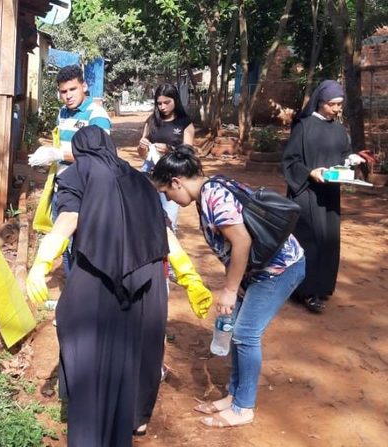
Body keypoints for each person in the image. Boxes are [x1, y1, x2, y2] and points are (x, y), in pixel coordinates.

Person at [26, 127, 211, 445]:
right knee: (142, 346)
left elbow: (69, 219)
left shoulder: (79, 171)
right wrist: (190, 277)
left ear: (81, 151)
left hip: (99, 270)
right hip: (148, 274)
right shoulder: (140, 178)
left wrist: (42, 262)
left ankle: (89, 422)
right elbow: (163, 233)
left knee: (79, 331)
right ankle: (136, 418)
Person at [151, 145, 305, 428]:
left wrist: (231, 289)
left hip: (279, 269)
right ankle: (235, 394)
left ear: (177, 181)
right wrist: (240, 283)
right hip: (258, 271)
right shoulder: (208, 191)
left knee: (246, 334)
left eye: (166, 192)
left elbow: (242, 242)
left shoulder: (214, 198)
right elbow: (229, 246)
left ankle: (243, 407)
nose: (168, 198)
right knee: (236, 331)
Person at [282, 80, 364, 314]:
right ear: (320, 102)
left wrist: (351, 159)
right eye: (333, 105)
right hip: (306, 194)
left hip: (329, 194)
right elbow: (290, 161)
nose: (337, 109)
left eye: (339, 105)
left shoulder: (339, 129)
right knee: (311, 240)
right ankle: (305, 291)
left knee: (328, 240)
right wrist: (310, 172)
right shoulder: (304, 126)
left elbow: (343, 154)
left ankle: (322, 286)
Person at [28, 64, 111, 273]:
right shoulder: (62, 113)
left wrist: (59, 155)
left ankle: (83, 295)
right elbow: (61, 144)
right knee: (62, 243)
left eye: (72, 89)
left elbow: (100, 155)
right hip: (61, 186)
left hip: (84, 191)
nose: (68, 96)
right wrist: (49, 154)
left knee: (82, 246)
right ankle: (70, 293)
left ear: (84, 86)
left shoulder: (96, 115)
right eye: (63, 92)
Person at [138, 83, 195, 230]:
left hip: (171, 176)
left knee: (168, 222)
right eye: (159, 103)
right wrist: (142, 147)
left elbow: (188, 155)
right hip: (149, 173)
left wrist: (169, 150)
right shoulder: (151, 121)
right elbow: (142, 155)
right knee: (144, 217)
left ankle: (169, 248)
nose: (162, 107)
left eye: (166, 102)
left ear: (175, 100)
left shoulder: (185, 123)